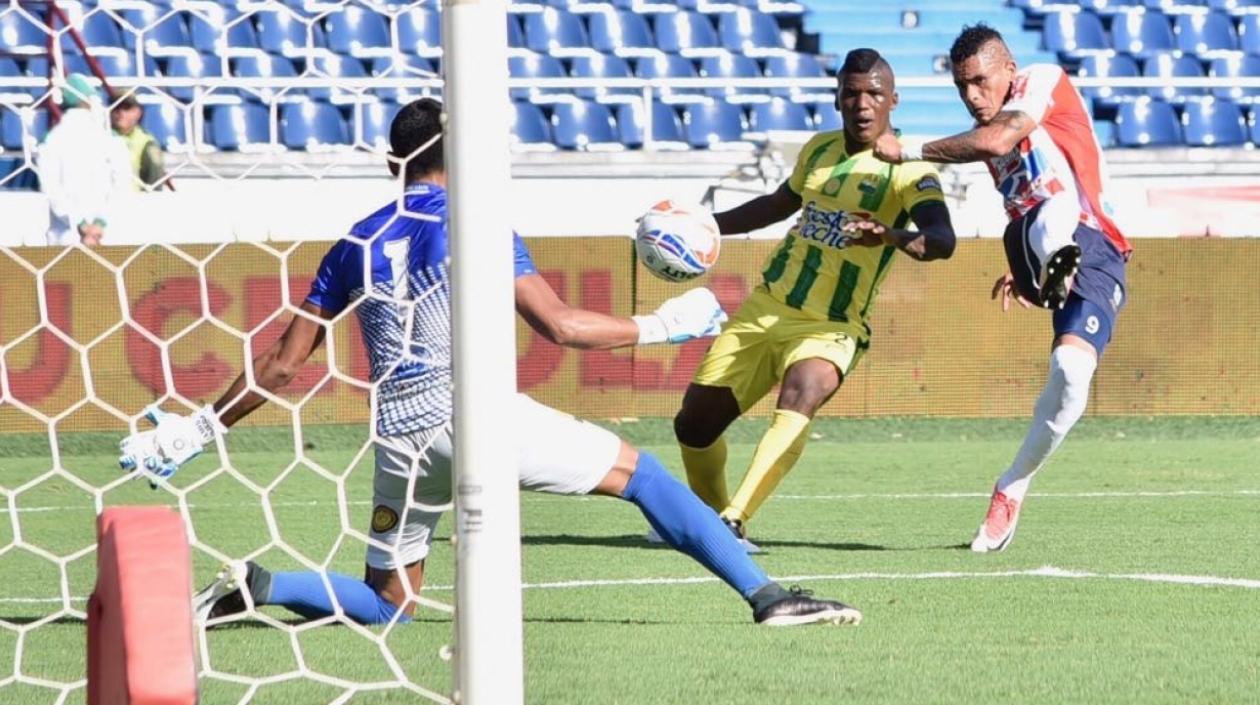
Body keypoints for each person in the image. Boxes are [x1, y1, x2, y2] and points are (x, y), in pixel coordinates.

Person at [117, 98, 862, 628]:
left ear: (390, 162)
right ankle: (768, 597)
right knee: (647, 477)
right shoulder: (473, 224)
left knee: (391, 603)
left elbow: (283, 366)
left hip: (399, 439)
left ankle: (262, 584)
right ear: (461, 154)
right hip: (470, 413)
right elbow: (561, 327)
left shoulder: (354, 243)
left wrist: (200, 425)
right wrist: (664, 322)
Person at [668, 49, 956, 552]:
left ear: (894, 100)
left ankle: (734, 521)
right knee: (693, 425)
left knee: (802, 391)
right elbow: (779, 205)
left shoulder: (910, 169)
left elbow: (941, 240)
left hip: (832, 325)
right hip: (767, 308)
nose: (862, 105)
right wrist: (706, 226)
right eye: (852, 93)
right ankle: (708, 519)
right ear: (837, 98)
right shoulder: (819, 150)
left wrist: (887, 234)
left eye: (874, 94)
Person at [871, 24, 1131, 552]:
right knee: (1037, 220)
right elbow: (1014, 192)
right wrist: (1028, 266)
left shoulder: (1043, 81)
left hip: (1096, 245)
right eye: (962, 87)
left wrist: (908, 149)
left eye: (980, 82)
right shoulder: (985, 138)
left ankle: (1011, 485)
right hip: (1035, 241)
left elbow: (999, 139)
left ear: (1009, 71)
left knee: (1071, 373)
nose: (971, 96)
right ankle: (1050, 261)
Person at [36, 73, 131, 246]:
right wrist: (100, 224)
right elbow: (122, 184)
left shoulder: (50, 140)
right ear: (89, 100)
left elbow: (50, 188)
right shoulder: (111, 139)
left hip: (65, 238)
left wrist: (80, 224)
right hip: (105, 236)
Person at [110, 94, 168, 191]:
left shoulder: (147, 143)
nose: (121, 113)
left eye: (127, 108)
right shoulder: (101, 136)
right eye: (116, 108)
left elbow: (154, 182)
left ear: (138, 112)